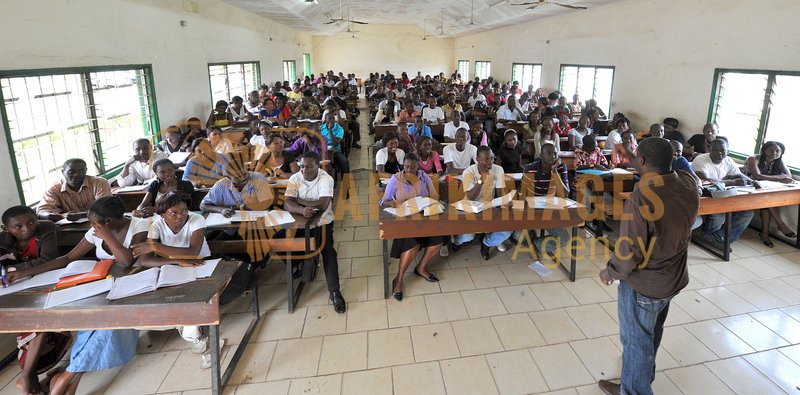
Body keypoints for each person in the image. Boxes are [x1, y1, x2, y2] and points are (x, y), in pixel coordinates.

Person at [597, 137, 701, 395]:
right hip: (672, 279)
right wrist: (632, 157)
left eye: (638, 159)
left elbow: (629, 250)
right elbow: (657, 166)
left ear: (642, 161)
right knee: (651, 333)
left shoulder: (641, 197)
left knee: (635, 342)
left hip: (645, 285)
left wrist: (610, 272)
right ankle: (637, 381)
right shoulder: (688, 183)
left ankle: (633, 390)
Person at [17, 196, 148, 395]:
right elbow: (68, 258)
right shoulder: (95, 231)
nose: (91, 226)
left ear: (108, 222)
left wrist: (107, 236)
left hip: (132, 290)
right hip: (101, 289)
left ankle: (66, 376)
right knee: (92, 327)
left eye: (94, 222)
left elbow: (127, 261)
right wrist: (24, 273)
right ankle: (71, 379)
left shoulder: (139, 226)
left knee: (109, 327)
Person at [130, 192, 211, 366]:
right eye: (173, 213)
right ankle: (180, 324)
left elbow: (193, 253)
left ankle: (192, 330)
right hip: (173, 267)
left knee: (192, 294)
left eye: (183, 210)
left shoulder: (196, 220)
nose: (180, 216)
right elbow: (144, 259)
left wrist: (156, 247)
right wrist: (175, 260)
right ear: (162, 214)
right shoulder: (157, 225)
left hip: (202, 264)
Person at [0, 206, 66, 395]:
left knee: (38, 320)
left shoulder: (46, 229)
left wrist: (14, 270)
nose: (26, 228)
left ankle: (28, 375)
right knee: (33, 322)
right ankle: (29, 375)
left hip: (49, 284)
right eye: (18, 226)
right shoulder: (1, 241)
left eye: (31, 222)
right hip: (17, 290)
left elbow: (48, 259)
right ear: (6, 229)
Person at [284, 152, 346, 313]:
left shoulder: (326, 178)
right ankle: (302, 265)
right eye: (302, 166)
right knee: (284, 245)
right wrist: (301, 209)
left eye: (310, 166)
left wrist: (298, 200)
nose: (305, 169)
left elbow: (324, 204)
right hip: (300, 221)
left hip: (323, 222)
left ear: (318, 165)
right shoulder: (295, 179)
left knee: (328, 252)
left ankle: (334, 291)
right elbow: (287, 203)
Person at [380, 153, 443, 300]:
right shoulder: (395, 179)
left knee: (438, 241)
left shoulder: (424, 177)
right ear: (403, 166)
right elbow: (383, 202)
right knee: (412, 245)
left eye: (413, 167)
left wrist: (426, 201)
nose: (409, 169)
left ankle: (421, 268)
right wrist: (393, 204)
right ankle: (399, 279)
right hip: (405, 220)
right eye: (406, 166)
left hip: (423, 218)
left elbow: (434, 196)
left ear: (418, 166)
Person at [691, 139, 756, 248]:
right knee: (719, 214)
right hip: (705, 195)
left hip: (724, 195)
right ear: (709, 150)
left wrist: (752, 181)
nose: (719, 153)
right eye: (715, 150)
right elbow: (705, 180)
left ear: (728, 151)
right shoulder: (701, 159)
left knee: (747, 212)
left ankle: (718, 237)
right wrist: (732, 182)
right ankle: (711, 236)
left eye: (722, 150)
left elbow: (739, 175)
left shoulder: (728, 160)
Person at [453, 146, 513, 260]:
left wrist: (505, 202)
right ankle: (457, 241)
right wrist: (481, 179)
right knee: (468, 236)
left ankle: (487, 243)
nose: (490, 162)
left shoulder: (498, 169)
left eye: (492, 158)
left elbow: (500, 192)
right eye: (486, 159)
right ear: (477, 160)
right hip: (471, 208)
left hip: (488, 207)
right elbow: (470, 197)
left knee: (507, 230)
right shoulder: (468, 172)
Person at [522, 143, 571, 257]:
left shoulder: (561, 167)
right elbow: (522, 194)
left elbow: (564, 194)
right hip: (531, 208)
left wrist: (554, 172)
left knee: (564, 239)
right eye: (548, 153)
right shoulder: (530, 168)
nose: (552, 156)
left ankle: (536, 244)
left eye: (554, 153)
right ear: (541, 155)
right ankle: (530, 234)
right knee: (519, 237)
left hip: (550, 209)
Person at [745, 141, 796, 247]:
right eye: (771, 150)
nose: (775, 153)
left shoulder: (779, 161)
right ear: (764, 151)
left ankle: (765, 234)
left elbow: (788, 175)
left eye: (778, 151)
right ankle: (780, 225)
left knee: (767, 204)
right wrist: (779, 179)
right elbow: (756, 176)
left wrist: (777, 179)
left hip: (763, 191)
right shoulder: (754, 159)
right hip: (746, 187)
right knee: (768, 201)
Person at [37, 158, 112, 221]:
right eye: (71, 171)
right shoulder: (54, 189)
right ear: (63, 172)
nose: (76, 174)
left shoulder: (99, 183)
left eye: (81, 171)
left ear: (86, 170)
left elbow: (106, 208)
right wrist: (56, 216)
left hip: (99, 223)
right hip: (70, 228)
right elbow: (42, 211)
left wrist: (81, 215)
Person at [199, 167, 274, 217]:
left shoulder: (258, 178)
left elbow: (267, 203)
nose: (244, 177)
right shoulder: (221, 184)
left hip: (256, 220)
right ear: (229, 177)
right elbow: (203, 205)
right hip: (229, 224)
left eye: (245, 173)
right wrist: (221, 210)